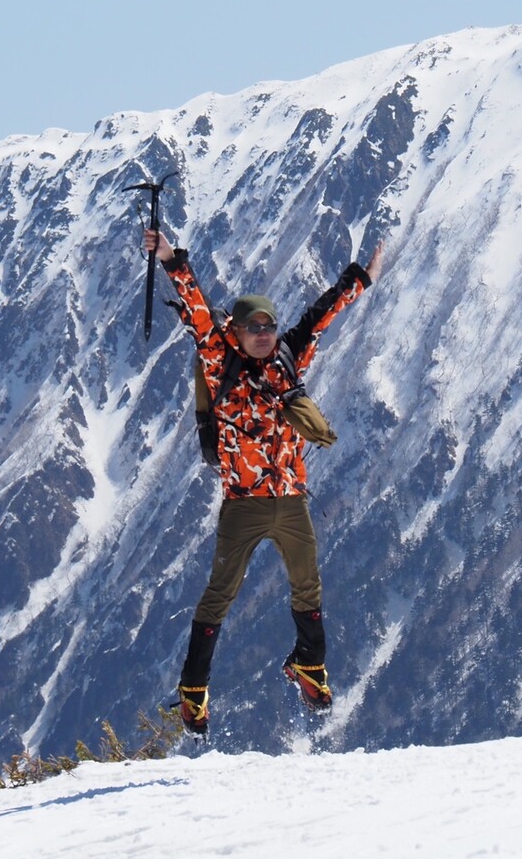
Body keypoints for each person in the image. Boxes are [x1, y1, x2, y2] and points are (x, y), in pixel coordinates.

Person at [146, 227, 383, 735]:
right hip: (245, 504)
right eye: (254, 326)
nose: (264, 333)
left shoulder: (287, 358)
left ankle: (310, 665)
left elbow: (320, 318)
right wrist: (169, 258)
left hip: (291, 499)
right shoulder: (218, 358)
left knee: (307, 585)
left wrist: (360, 278)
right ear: (237, 329)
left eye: (269, 326)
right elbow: (198, 312)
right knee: (220, 594)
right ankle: (193, 689)